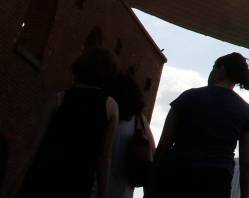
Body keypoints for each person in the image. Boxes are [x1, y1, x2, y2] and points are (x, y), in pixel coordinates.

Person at [8, 47, 120, 198]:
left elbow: (32, 146)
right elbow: (104, 157)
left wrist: (7, 186)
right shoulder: (110, 107)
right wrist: (102, 193)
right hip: (77, 184)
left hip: (41, 179)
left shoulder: (58, 99)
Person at [150, 53, 249, 198]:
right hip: (216, 181)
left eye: (212, 68)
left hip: (177, 175)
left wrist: (151, 186)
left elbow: (164, 146)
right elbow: (247, 165)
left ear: (220, 69)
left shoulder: (188, 97)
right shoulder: (246, 111)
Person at [93, 73, 153, 198]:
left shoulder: (100, 114)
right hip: (122, 192)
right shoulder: (139, 121)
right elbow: (152, 156)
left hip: (92, 189)